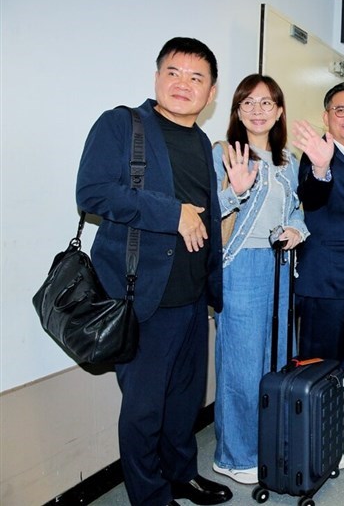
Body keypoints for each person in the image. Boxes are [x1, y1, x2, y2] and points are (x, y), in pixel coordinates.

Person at [76, 37, 232, 506]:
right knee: (144, 411)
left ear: (211, 91)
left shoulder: (202, 141)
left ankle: (181, 474)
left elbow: (206, 215)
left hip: (190, 297)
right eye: (173, 72)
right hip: (141, 298)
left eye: (196, 78)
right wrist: (172, 213)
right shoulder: (123, 125)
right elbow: (93, 193)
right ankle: (151, 498)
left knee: (184, 403)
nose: (183, 84)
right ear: (157, 76)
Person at [211, 74, 309, 484]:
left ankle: (269, 442)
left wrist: (297, 230)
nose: (257, 110)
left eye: (266, 103)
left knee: (278, 358)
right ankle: (234, 455)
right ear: (236, 110)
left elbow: (298, 209)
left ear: (279, 110)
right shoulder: (224, 153)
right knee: (241, 365)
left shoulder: (290, 161)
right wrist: (233, 191)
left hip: (280, 266)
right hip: (241, 265)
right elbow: (207, 210)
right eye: (248, 102)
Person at [291, 82, 344, 460]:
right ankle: (314, 441)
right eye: (340, 110)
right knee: (317, 363)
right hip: (324, 277)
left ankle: (334, 422)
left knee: (341, 359)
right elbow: (312, 195)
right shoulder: (318, 155)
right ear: (326, 116)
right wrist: (321, 167)